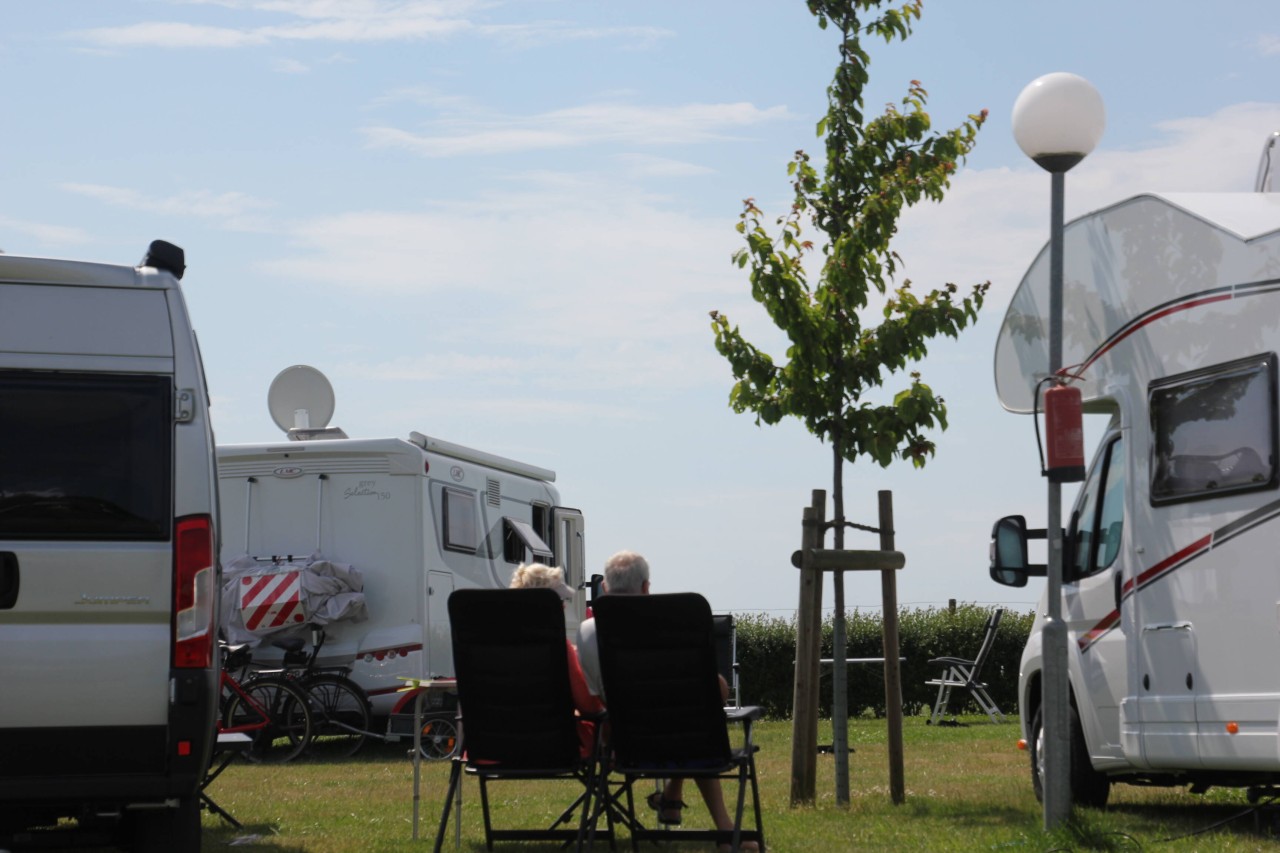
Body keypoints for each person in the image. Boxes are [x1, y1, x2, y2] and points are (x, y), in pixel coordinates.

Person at [576, 550, 753, 853]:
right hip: (688, 738)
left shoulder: (588, 631)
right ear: (646, 587)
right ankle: (724, 830)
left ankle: (672, 798)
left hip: (628, 745)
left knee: (681, 719)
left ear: (605, 587)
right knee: (691, 717)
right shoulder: (674, 623)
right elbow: (717, 691)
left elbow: (597, 697)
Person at [509, 562, 604, 758]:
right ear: (545, 604)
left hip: (494, 746)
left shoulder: (493, 645)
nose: (563, 606)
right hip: (554, 747)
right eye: (560, 600)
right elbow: (589, 706)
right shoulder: (558, 648)